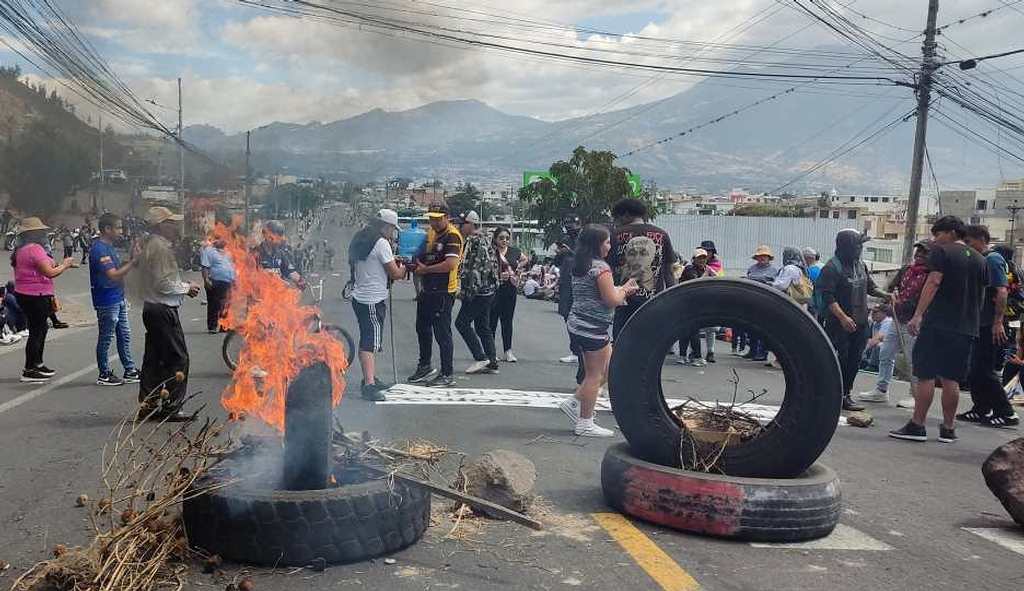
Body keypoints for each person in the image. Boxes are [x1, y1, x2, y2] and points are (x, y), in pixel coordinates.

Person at [890, 216, 987, 443]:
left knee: (926, 375)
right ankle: (948, 428)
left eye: (938, 234)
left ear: (952, 232)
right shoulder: (980, 260)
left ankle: (918, 425)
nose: (935, 239)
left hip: (938, 324)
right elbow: (981, 296)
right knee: (951, 379)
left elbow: (933, 282)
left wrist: (918, 315)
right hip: (966, 327)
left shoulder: (942, 253)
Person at [558, 225, 638, 437]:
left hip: (579, 323)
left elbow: (603, 294)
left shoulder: (580, 265)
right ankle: (584, 422)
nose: (609, 246)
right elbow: (611, 300)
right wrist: (626, 291)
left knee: (609, 368)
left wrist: (621, 289)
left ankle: (575, 402)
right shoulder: (601, 268)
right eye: (607, 242)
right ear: (597, 244)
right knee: (596, 375)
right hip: (593, 328)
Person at [131, 207, 201, 421]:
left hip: (153, 309)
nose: (176, 227)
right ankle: (172, 407)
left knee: (154, 359)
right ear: (161, 226)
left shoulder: (150, 245)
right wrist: (186, 288)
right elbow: (163, 284)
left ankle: (148, 405)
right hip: (162, 309)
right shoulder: (159, 248)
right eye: (171, 223)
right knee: (178, 358)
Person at [817, 229, 890, 412]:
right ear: (846, 246)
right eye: (857, 245)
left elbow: (871, 287)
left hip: (860, 322)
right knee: (840, 359)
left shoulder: (860, 265)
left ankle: (846, 393)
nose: (859, 249)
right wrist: (842, 317)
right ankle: (834, 394)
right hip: (839, 323)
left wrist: (886, 295)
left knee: (855, 359)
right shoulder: (832, 268)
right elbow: (828, 296)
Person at [959, 225, 1019, 427]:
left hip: (990, 325)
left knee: (985, 369)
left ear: (981, 239)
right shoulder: (979, 261)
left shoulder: (992, 260)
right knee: (974, 369)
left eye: (969, 242)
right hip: (978, 324)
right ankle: (981, 408)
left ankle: (1007, 412)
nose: (967, 247)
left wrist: (997, 322)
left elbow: (1001, 291)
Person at [11, 217, 77, 382]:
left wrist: (60, 264)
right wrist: (66, 265)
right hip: (35, 295)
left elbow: (44, 267)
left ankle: (37, 364)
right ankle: (30, 368)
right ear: (33, 234)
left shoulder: (22, 249)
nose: (44, 234)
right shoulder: (34, 249)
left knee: (41, 329)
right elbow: (50, 272)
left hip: (27, 294)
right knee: (37, 331)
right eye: (41, 232)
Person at [864, 240, 930, 404]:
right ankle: (881, 390)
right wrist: (890, 297)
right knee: (885, 353)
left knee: (912, 359)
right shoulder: (907, 269)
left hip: (914, 322)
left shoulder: (930, 274)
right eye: (918, 251)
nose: (919, 255)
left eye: (924, 252)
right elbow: (891, 287)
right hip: (897, 317)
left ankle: (914, 395)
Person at [349, 209, 405, 401]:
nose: (393, 233)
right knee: (369, 343)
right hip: (372, 298)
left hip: (360, 295)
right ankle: (369, 385)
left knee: (369, 340)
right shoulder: (381, 243)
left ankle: (370, 378)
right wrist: (404, 267)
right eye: (392, 229)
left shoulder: (361, 237)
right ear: (386, 226)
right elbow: (395, 273)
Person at [407, 204, 463, 388]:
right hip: (427, 289)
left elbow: (450, 264)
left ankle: (447, 374)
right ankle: (425, 365)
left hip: (443, 290)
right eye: (432, 218)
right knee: (422, 327)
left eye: (438, 218)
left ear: (447, 217)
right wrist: (411, 263)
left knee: (442, 333)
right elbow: (421, 254)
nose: (434, 221)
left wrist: (426, 269)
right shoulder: (431, 233)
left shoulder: (452, 235)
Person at [606, 198, 675, 340]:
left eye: (617, 218)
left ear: (625, 215)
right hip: (653, 301)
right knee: (649, 343)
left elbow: (609, 269)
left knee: (621, 341)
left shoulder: (615, 234)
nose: (616, 222)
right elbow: (668, 271)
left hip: (623, 300)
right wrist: (672, 297)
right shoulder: (662, 234)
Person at [89, 213, 140, 386]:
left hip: (118, 297)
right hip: (106, 299)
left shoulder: (110, 248)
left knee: (124, 335)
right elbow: (113, 274)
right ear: (107, 229)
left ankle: (130, 370)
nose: (121, 231)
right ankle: (104, 373)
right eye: (118, 227)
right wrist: (133, 262)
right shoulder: (99, 249)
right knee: (106, 337)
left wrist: (132, 258)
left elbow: (119, 268)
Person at [455, 211, 500, 375]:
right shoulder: (479, 239)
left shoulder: (476, 241)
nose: (459, 226)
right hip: (487, 290)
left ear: (471, 224)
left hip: (479, 291)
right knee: (482, 325)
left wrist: (467, 292)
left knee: (461, 323)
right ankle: (491, 360)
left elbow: (478, 269)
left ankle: (481, 357)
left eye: (462, 224)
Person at [491, 227, 526, 362]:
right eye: (501, 238)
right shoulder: (491, 252)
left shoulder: (514, 251)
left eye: (506, 238)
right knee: (492, 320)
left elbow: (525, 259)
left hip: (510, 289)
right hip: (494, 289)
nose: (504, 240)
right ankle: (491, 350)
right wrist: (498, 275)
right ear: (495, 239)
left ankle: (508, 351)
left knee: (507, 320)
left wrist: (517, 271)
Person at [677, 248, 714, 366]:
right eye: (699, 258)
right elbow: (696, 283)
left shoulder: (705, 269)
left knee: (689, 331)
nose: (702, 260)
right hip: (686, 303)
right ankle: (696, 357)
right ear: (694, 259)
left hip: (696, 304)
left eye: (704, 258)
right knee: (692, 331)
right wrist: (707, 274)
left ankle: (684, 356)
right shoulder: (689, 269)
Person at [744, 245, 778, 362]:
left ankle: (762, 352)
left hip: (765, 302)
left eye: (765, 256)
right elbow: (748, 279)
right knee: (751, 327)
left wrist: (756, 280)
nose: (762, 258)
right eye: (760, 256)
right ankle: (752, 350)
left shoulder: (774, 270)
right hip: (751, 300)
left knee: (763, 329)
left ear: (769, 258)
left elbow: (772, 283)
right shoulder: (752, 268)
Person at [857, 305, 896, 401]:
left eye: (875, 312)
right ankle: (882, 389)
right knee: (884, 351)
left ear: (884, 313)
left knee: (878, 346)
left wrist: (862, 353)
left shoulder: (887, 321)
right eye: (872, 312)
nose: (872, 314)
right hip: (898, 319)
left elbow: (877, 338)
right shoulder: (874, 323)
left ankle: (872, 365)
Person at [200, 237, 236, 335]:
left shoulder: (229, 252)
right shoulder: (209, 251)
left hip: (228, 281)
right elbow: (205, 266)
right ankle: (212, 326)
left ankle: (224, 326)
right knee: (214, 305)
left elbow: (233, 265)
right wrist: (206, 280)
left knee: (226, 304)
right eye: (221, 238)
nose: (224, 240)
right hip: (215, 281)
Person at [254, 220, 302, 285]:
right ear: (267, 236)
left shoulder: (280, 253)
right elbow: (254, 276)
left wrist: (300, 280)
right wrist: (280, 282)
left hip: (278, 293)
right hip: (261, 293)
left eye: (279, 239)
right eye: (274, 238)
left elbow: (290, 271)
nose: (278, 242)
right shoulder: (256, 253)